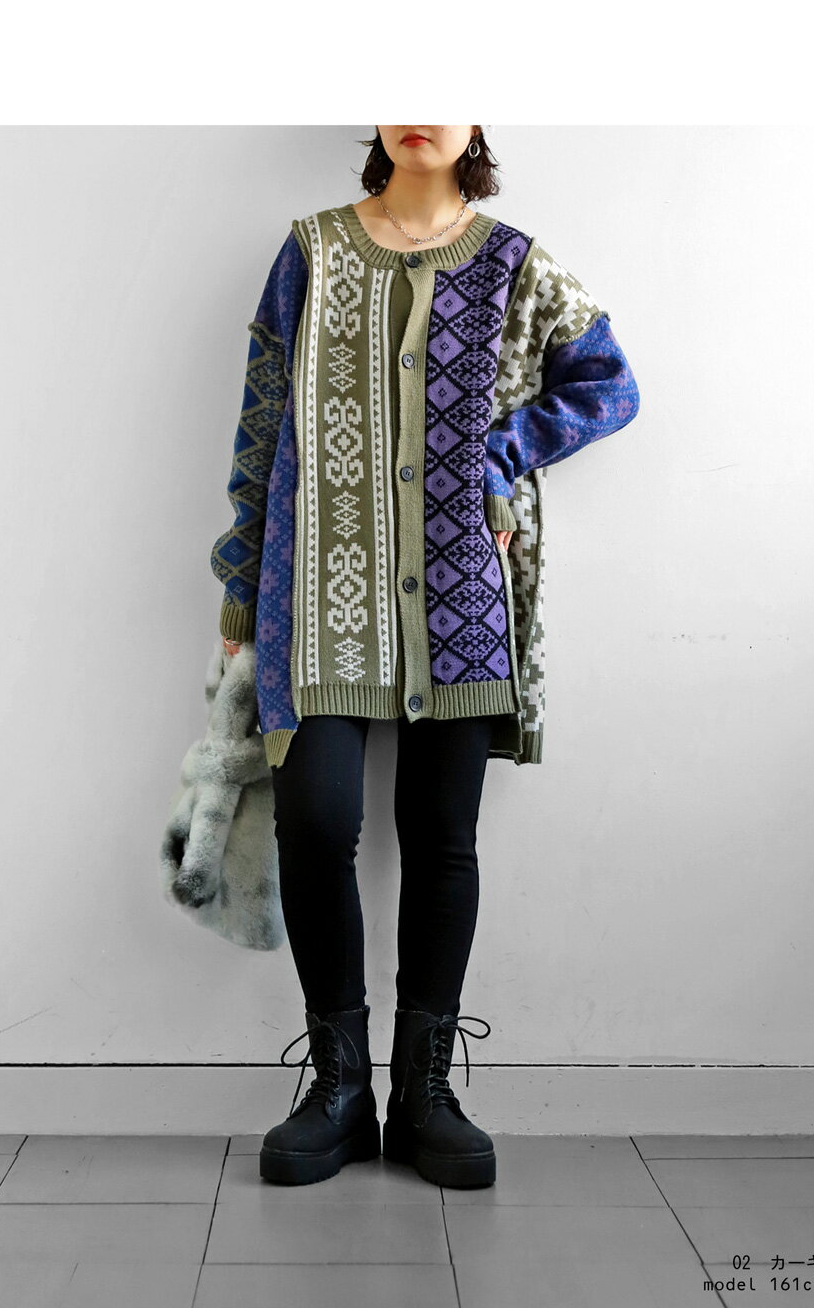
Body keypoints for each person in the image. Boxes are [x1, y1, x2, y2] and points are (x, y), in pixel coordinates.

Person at [211, 125, 641, 1190]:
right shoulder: (310, 251)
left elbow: (610, 385)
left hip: (460, 595)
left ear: (476, 122)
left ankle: (427, 1094)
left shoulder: (514, 263)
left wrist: (504, 450)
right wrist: (239, 577)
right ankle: (339, 1089)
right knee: (317, 825)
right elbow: (262, 420)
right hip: (316, 590)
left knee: (443, 840)